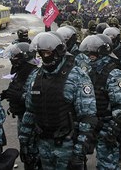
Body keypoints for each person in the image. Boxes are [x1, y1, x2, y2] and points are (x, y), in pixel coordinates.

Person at [19, 32, 97, 170]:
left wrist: (79, 152)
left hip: (67, 145)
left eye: (47, 53)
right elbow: (30, 112)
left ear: (58, 52)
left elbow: (88, 118)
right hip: (42, 143)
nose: (44, 57)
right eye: (40, 53)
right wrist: (25, 142)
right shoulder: (36, 76)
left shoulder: (77, 76)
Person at [80, 34, 121, 169]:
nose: (90, 55)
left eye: (93, 53)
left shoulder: (114, 73)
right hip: (92, 124)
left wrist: (113, 129)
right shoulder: (88, 70)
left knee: (107, 165)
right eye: (89, 52)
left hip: (107, 124)